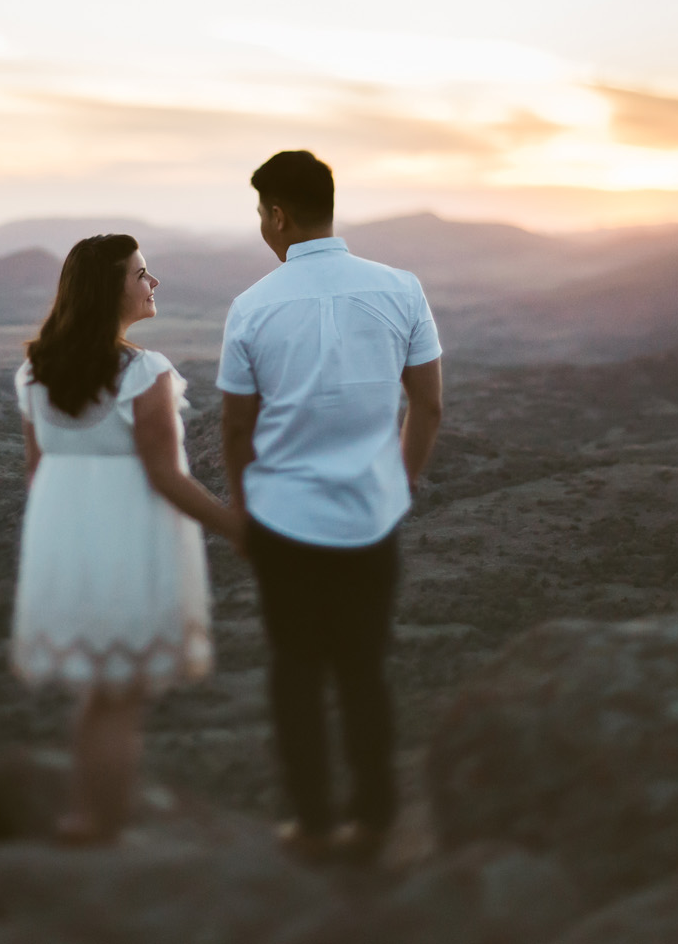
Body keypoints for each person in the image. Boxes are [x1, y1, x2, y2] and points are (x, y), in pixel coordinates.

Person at [218, 150, 444, 864]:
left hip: (285, 521)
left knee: (296, 674)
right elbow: (429, 406)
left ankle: (313, 825)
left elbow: (233, 427)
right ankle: (374, 822)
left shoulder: (252, 307)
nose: (261, 226)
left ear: (278, 215)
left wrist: (246, 508)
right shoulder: (402, 289)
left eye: (261, 213)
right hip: (370, 518)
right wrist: (398, 486)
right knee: (363, 670)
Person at [11, 233, 246, 844]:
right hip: (130, 542)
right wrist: (238, 529)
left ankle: (89, 818)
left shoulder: (35, 372)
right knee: (119, 697)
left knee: (100, 693)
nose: (153, 283)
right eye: (142, 273)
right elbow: (165, 476)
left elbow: (39, 472)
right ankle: (102, 829)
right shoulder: (146, 372)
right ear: (110, 291)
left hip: (66, 542)